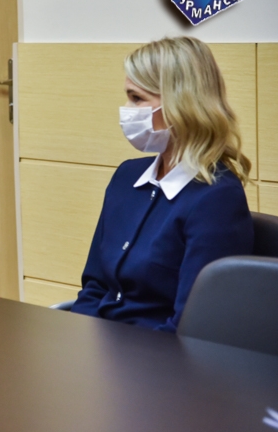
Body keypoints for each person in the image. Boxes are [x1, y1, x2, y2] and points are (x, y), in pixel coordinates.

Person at [71, 37, 253, 332]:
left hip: (160, 355)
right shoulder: (126, 176)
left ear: (181, 103)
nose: (128, 110)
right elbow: (95, 287)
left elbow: (193, 326)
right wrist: (76, 339)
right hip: (104, 345)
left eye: (137, 98)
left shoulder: (216, 199)